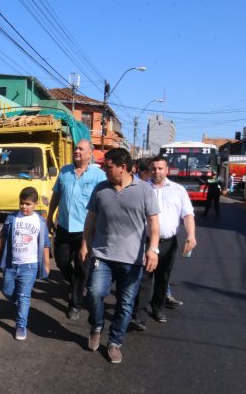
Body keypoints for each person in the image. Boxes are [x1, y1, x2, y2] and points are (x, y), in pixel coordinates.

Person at [79, 148, 160, 364]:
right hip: (102, 254)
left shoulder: (144, 190)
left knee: (125, 303)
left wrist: (153, 249)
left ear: (123, 167)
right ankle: (96, 326)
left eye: (108, 167)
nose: (105, 170)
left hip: (132, 259)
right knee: (94, 293)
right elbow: (90, 219)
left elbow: (153, 222)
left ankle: (115, 341)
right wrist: (85, 244)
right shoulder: (101, 188)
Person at [131, 155, 196, 330]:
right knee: (144, 278)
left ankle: (157, 307)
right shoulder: (140, 188)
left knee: (163, 277)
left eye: (160, 168)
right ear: (149, 170)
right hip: (145, 242)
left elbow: (187, 214)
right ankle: (139, 314)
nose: (157, 171)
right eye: (153, 168)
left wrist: (191, 235)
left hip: (168, 242)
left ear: (167, 170)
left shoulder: (178, 190)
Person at [47, 139, 106, 320]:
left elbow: (104, 202)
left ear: (90, 154)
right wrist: (49, 217)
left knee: (82, 268)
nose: (77, 151)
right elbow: (56, 195)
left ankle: (75, 304)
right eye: (76, 148)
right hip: (64, 227)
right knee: (61, 261)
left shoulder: (99, 175)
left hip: (85, 231)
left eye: (81, 149)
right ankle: (75, 284)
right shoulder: (65, 171)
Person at [0, 187, 51, 341]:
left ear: (35, 204)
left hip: (30, 266)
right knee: (7, 291)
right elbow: (3, 238)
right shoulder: (12, 218)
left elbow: (45, 244)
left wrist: (47, 263)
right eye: (22, 203)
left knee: (24, 296)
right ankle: (21, 304)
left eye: (28, 204)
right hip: (11, 264)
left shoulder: (40, 221)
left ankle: (21, 325)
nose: (24, 207)